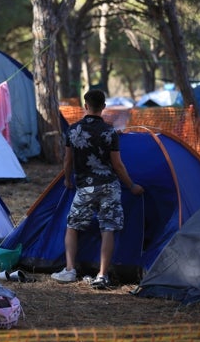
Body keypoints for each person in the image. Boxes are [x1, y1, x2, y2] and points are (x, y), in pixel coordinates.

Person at [51, 90, 144, 289]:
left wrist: (68, 180)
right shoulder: (110, 132)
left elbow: (68, 160)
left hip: (85, 187)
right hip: (109, 186)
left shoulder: (73, 130)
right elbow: (118, 165)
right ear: (103, 106)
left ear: (85, 105)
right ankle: (102, 275)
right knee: (108, 228)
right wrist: (132, 186)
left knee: (73, 226)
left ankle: (69, 270)